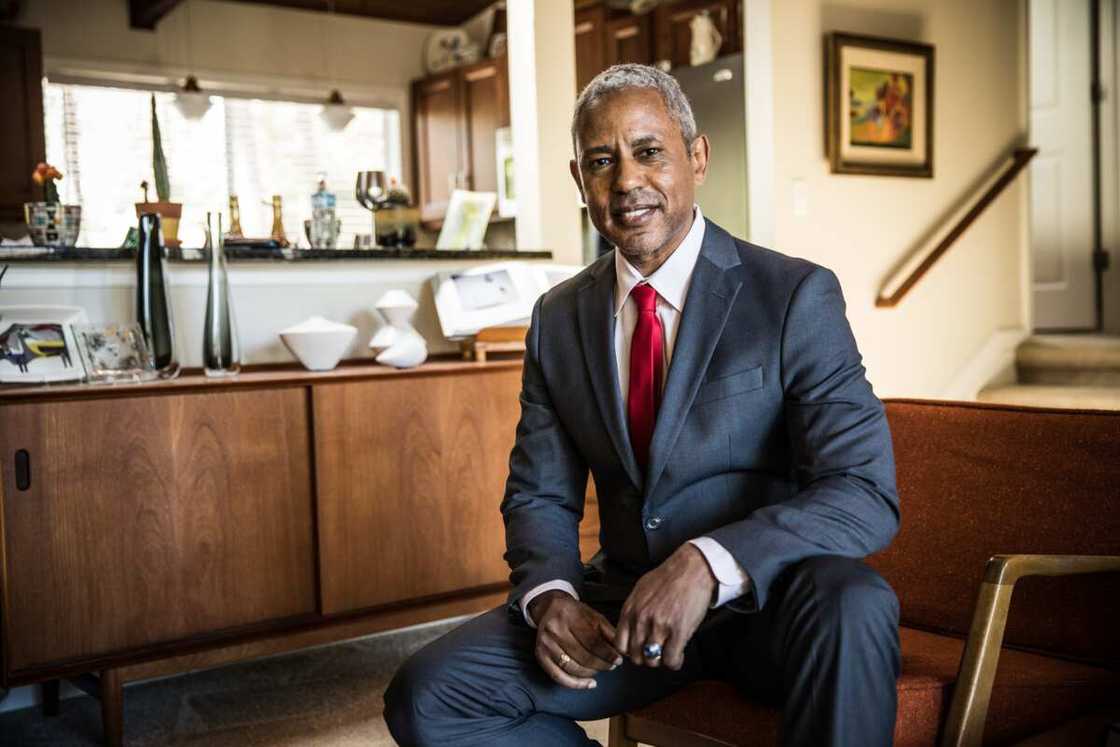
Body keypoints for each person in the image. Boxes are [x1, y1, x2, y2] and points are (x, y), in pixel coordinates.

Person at [384, 63, 900, 747]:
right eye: (603, 161)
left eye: (649, 151)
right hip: (623, 612)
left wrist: (706, 564)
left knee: (856, 602)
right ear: (580, 181)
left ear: (697, 157)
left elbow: (865, 490)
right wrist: (551, 597)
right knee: (428, 698)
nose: (627, 181)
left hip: (770, 601)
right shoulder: (558, 318)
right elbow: (540, 491)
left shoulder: (794, 296)